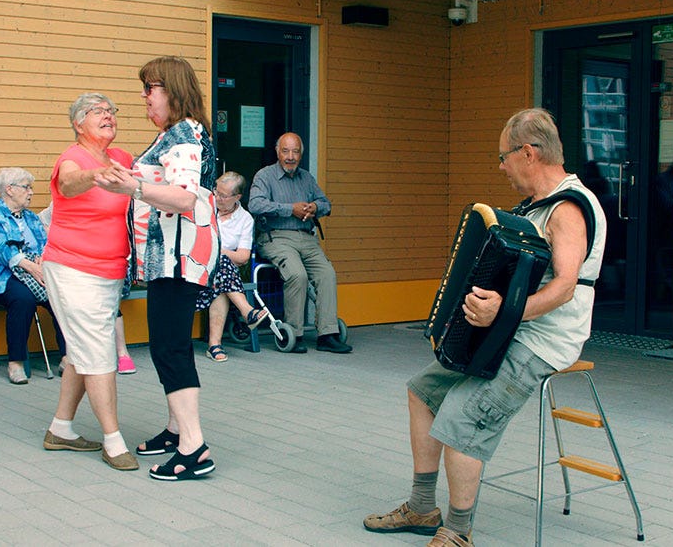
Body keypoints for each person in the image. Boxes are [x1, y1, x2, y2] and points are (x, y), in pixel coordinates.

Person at [362, 108, 607, 546]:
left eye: (503, 156)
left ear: (528, 153)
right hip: (508, 332)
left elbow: (566, 287)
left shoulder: (568, 209)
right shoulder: (533, 208)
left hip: (544, 341)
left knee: (463, 417)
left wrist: (503, 314)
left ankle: (458, 532)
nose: (501, 167)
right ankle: (422, 507)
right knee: (424, 392)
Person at [98, 56, 220, 481]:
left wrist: (132, 184)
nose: (145, 97)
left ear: (172, 89)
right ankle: (175, 430)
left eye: (151, 88)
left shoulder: (183, 134)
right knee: (168, 344)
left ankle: (194, 446)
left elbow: (184, 198)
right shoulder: (176, 133)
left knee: (170, 347)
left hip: (178, 256)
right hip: (170, 256)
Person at [39, 93, 138, 471]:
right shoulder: (73, 158)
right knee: (98, 352)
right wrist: (94, 175)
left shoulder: (124, 159)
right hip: (72, 269)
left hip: (110, 271)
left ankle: (60, 429)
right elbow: (67, 184)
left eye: (112, 111)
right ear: (78, 123)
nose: (108, 116)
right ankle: (113, 441)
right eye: (97, 112)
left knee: (82, 350)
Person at [248, 132, 351, 354]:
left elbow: (326, 204)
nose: (290, 156)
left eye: (295, 151)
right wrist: (289, 209)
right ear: (278, 152)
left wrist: (315, 207)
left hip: (307, 237)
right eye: (286, 151)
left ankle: (327, 334)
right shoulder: (265, 176)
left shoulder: (306, 178)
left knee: (327, 274)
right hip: (276, 237)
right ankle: (294, 332)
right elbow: (255, 204)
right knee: (297, 274)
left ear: (301, 154)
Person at [0, 168, 67, 385]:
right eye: (27, 187)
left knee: (61, 295)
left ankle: (67, 356)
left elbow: (46, 244)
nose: (31, 192)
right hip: (1, 275)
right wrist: (27, 265)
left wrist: (42, 262)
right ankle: (15, 362)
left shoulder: (32, 218)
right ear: (10, 189)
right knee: (22, 299)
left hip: (34, 272)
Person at [40, 202, 136, 375]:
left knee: (101, 301)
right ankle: (79, 357)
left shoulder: (111, 199)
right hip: (77, 269)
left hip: (108, 266)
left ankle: (121, 353)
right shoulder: (60, 203)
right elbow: (43, 222)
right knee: (84, 303)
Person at [194, 171, 269, 362]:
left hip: (221, 274)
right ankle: (247, 311)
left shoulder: (245, 219)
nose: (217, 197)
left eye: (223, 195)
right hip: (196, 268)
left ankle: (215, 345)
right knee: (223, 265)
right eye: (216, 192)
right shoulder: (203, 206)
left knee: (222, 272)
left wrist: (218, 252)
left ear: (237, 197)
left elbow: (243, 257)